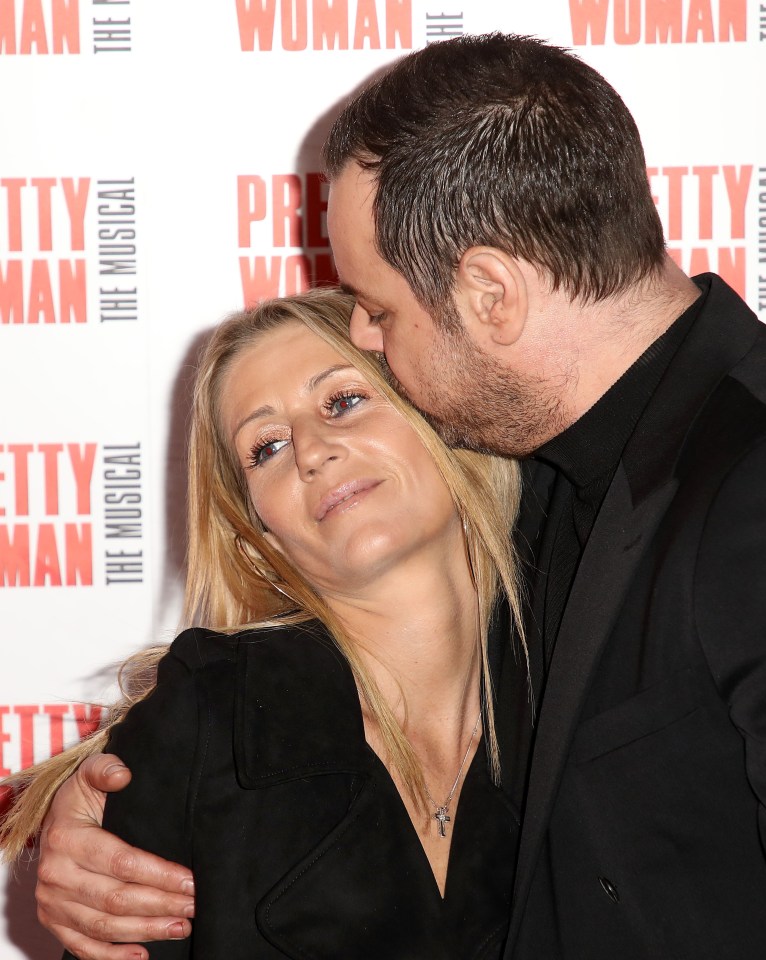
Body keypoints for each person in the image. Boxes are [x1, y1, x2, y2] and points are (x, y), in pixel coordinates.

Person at [26, 33, 766, 960]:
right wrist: (89, 823)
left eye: (376, 307)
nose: (368, 338)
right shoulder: (554, 484)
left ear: (490, 292)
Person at [1, 289, 528, 958]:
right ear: (259, 537)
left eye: (343, 401)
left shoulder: (585, 673)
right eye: (266, 446)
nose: (310, 450)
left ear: (441, 417)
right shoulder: (207, 726)